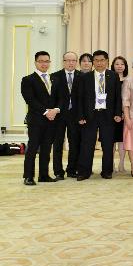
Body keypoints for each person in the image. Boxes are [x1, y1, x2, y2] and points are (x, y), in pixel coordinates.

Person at [76, 50, 122, 180]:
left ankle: (107, 171)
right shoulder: (85, 77)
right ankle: (84, 172)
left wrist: (118, 113)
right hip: (90, 115)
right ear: (93, 62)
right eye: (96, 60)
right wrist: (80, 116)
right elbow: (79, 98)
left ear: (107, 61)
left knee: (107, 144)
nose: (99, 63)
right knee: (87, 144)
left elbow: (117, 97)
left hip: (107, 115)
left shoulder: (113, 76)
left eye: (102, 60)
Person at [20, 51, 64, 185]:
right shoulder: (28, 79)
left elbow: (62, 98)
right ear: (35, 62)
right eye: (41, 61)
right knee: (32, 148)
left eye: (47, 61)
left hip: (52, 120)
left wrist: (56, 110)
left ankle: (44, 175)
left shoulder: (55, 79)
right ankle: (28, 176)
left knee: (46, 149)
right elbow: (30, 100)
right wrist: (46, 112)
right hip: (36, 120)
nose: (44, 64)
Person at [51, 51, 81, 180]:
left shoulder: (82, 76)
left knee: (74, 143)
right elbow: (51, 98)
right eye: (68, 60)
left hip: (75, 115)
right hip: (59, 115)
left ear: (76, 62)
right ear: (63, 62)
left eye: (73, 60)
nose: (70, 63)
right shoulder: (54, 76)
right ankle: (58, 171)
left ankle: (71, 169)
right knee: (58, 144)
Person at [111, 56, 129, 173]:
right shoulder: (109, 78)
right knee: (111, 140)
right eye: (117, 64)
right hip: (111, 115)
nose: (119, 66)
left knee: (122, 140)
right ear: (113, 65)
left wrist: (124, 112)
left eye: (122, 64)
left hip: (125, 114)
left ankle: (121, 163)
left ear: (125, 66)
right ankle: (110, 163)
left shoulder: (128, 80)